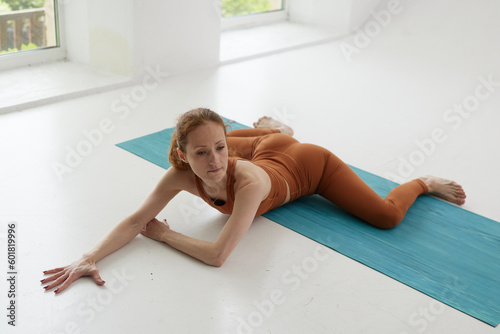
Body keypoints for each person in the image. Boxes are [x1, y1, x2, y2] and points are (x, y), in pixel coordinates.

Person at [41, 108, 466, 293]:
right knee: (257, 141)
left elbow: (217, 254)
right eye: (201, 152)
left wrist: (166, 235)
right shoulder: (181, 173)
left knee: (387, 217)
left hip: (307, 166)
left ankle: (423, 182)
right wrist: (89, 256)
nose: (213, 161)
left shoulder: (244, 182)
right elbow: (136, 219)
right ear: (181, 156)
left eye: (219, 148)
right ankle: (273, 129)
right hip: (263, 148)